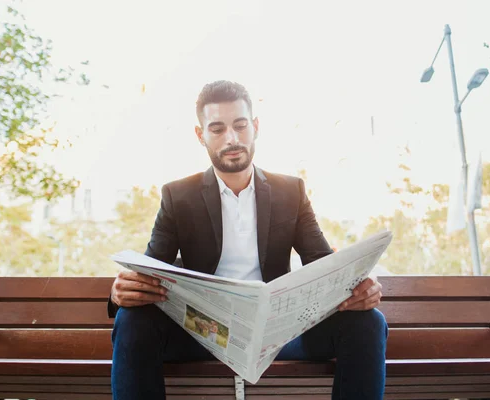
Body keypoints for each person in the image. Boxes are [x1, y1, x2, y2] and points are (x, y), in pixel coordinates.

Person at [109, 80, 387, 400]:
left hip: (277, 331)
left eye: (240, 126)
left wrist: (361, 285)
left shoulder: (290, 192)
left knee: (367, 322)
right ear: (201, 136)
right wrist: (121, 292)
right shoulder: (178, 196)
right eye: (217, 129)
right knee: (133, 319)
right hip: (205, 330)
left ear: (255, 127)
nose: (232, 138)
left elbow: (323, 262)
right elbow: (150, 271)